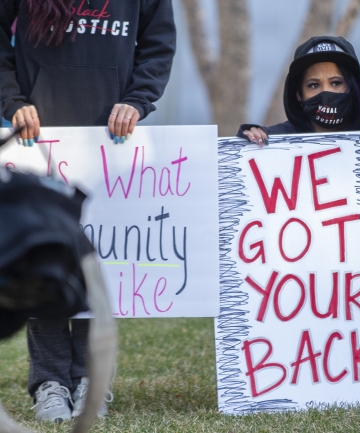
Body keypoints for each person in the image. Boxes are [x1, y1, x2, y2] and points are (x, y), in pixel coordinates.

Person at [0, 0, 175, 422]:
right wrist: (13, 99)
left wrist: (137, 100)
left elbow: (158, 46)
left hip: (110, 144)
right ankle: (50, 384)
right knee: (43, 262)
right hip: (37, 142)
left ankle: (91, 382)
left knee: (99, 268)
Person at [237, 35, 360, 144]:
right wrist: (248, 140)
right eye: (314, 85)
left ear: (353, 88)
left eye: (336, 83)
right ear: (299, 95)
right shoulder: (272, 139)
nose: (325, 92)